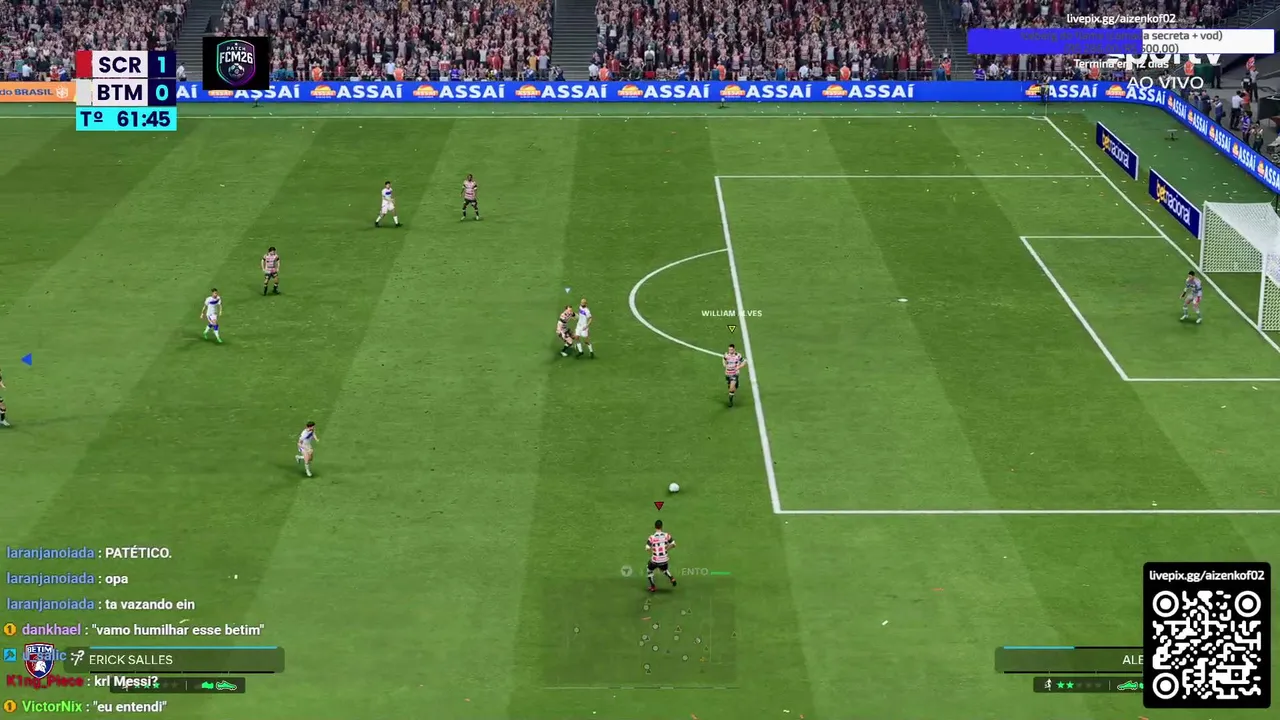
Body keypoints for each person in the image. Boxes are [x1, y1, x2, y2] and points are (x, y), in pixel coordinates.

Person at [646, 520, 677, 593]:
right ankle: (671, 578)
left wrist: (653, 552)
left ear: (655, 527)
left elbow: (647, 547)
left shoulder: (652, 537)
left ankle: (653, 587)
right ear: (662, 527)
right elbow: (674, 544)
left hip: (655, 560)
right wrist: (667, 548)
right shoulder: (666, 535)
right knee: (664, 569)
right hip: (664, 560)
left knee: (649, 569)